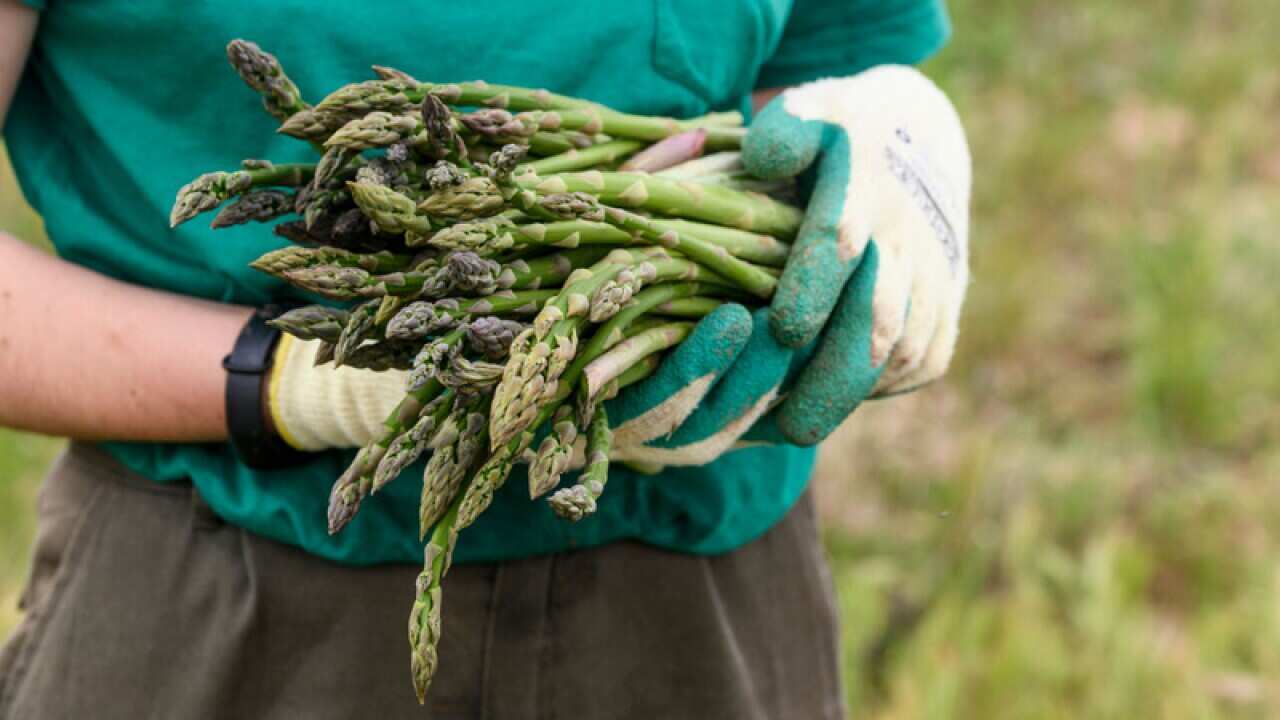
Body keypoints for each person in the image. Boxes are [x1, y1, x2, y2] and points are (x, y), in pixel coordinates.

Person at [0, 0, 970, 717]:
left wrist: (890, 132)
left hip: (689, 593)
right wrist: (302, 383)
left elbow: (825, 54)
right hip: (219, 590)